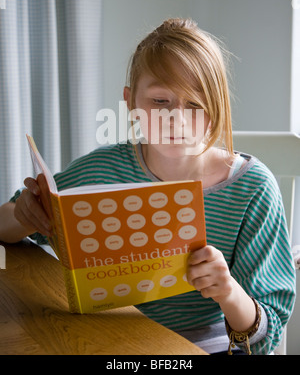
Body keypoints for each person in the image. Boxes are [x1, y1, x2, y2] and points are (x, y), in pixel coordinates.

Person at [0, 18, 296, 355]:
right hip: (110, 340)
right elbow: (5, 226)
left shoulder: (252, 188)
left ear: (217, 108)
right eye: (159, 101)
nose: (177, 120)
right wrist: (24, 212)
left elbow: (266, 332)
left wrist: (228, 291)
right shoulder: (101, 170)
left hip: (205, 346)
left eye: (195, 105)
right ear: (130, 101)